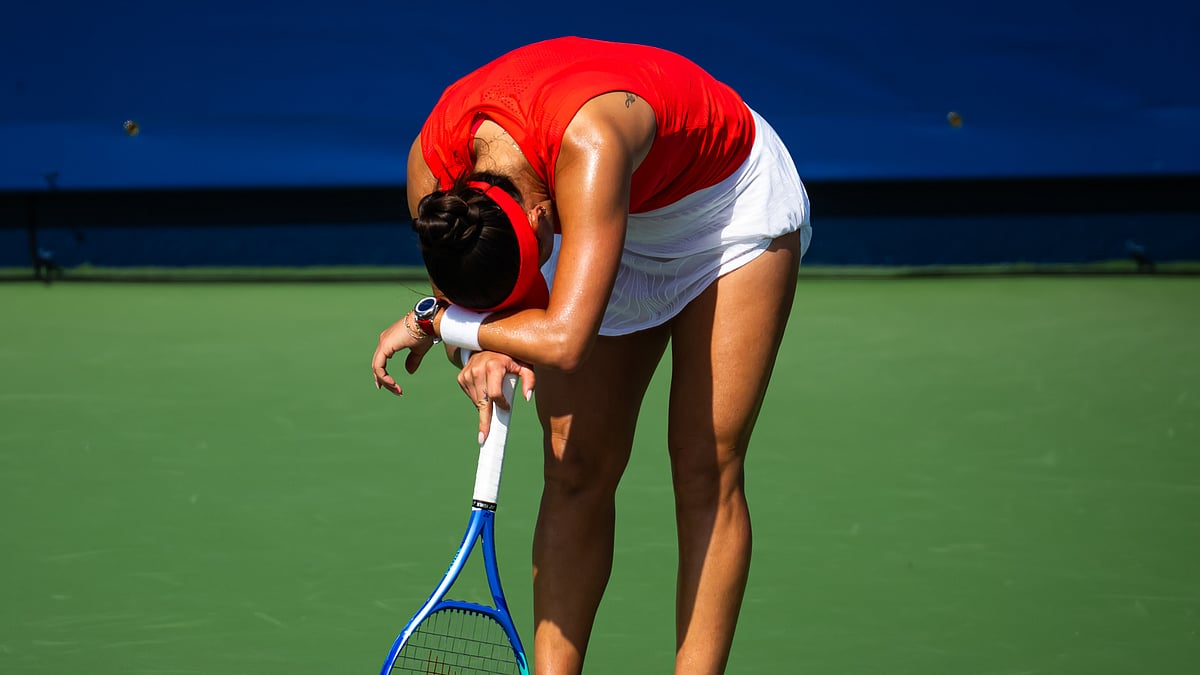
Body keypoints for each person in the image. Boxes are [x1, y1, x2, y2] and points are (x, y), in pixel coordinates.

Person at [371, 36, 811, 675]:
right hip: (596, 209)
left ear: (544, 216)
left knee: (703, 464)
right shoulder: (435, 179)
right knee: (573, 466)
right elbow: (465, 304)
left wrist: (450, 326)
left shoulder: (593, 142)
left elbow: (562, 341)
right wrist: (477, 334)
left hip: (721, 214)